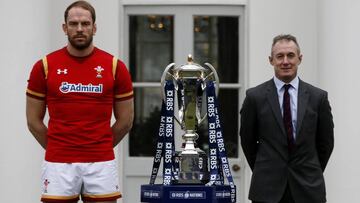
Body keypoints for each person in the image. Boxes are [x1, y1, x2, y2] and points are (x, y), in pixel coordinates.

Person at [26, 1, 134, 203]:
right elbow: (33, 121)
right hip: (58, 162)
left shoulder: (114, 67)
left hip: (101, 162)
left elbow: (126, 121)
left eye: (85, 23)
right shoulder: (45, 66)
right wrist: (58, 147)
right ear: (64, 28)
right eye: (73, 24)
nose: (79, 29)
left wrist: (98, 147)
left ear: (94, 27)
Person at [240, 34, 334, 203]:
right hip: (267, 190)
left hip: (309, 189)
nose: (285, 61)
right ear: (271, 60)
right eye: (279, 56)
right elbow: (247, 141)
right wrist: (267, 169)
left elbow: (325, 143)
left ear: (300, 58)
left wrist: (310, 170)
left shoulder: (318, 97)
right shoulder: (255, 97)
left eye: (290, 55)